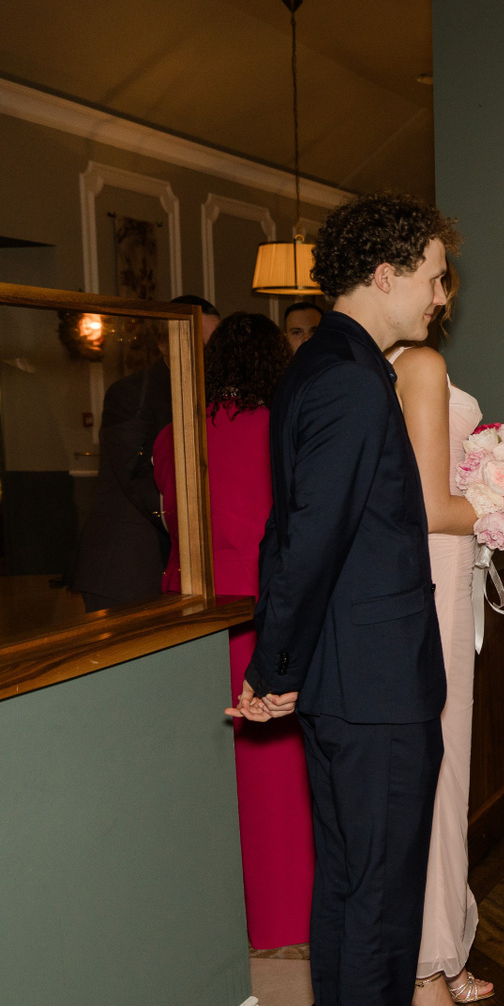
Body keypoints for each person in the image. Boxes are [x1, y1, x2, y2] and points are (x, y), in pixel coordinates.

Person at [227, 192, 493, 1006]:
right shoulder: (347, 377)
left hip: (350, 674)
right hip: (373, 678)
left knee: (349, 886)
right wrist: (273, 664)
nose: (440, 296)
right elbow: (312, 536)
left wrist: (281, 660)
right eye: (432, 277)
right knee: (377, 892)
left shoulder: (324, 366)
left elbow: (288, 528)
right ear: (384, 275)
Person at [154, 312, 313, 950]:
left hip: (189, 620)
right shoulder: (285, 429)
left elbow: (169, 519)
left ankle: (219, 925)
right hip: (264, 615)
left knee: (205, 776)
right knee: (275, 776)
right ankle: (286, 918)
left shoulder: (174, 434)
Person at [387, 275, 493, 1006]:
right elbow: (429, 505)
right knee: (436, 772)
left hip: (451, 569)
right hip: (433, 565)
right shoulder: (411, 364)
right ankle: (423, 967)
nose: (442, 298)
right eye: (433, 278)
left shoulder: (397, 362)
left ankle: (448, 942)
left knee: (452, 770)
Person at [71, 315, 172, 610]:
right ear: (164, 343)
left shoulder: (213, 394)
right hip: (128, 566)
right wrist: (186, 520)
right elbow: (133, 471)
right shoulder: (132, 393)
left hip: (169, 560)